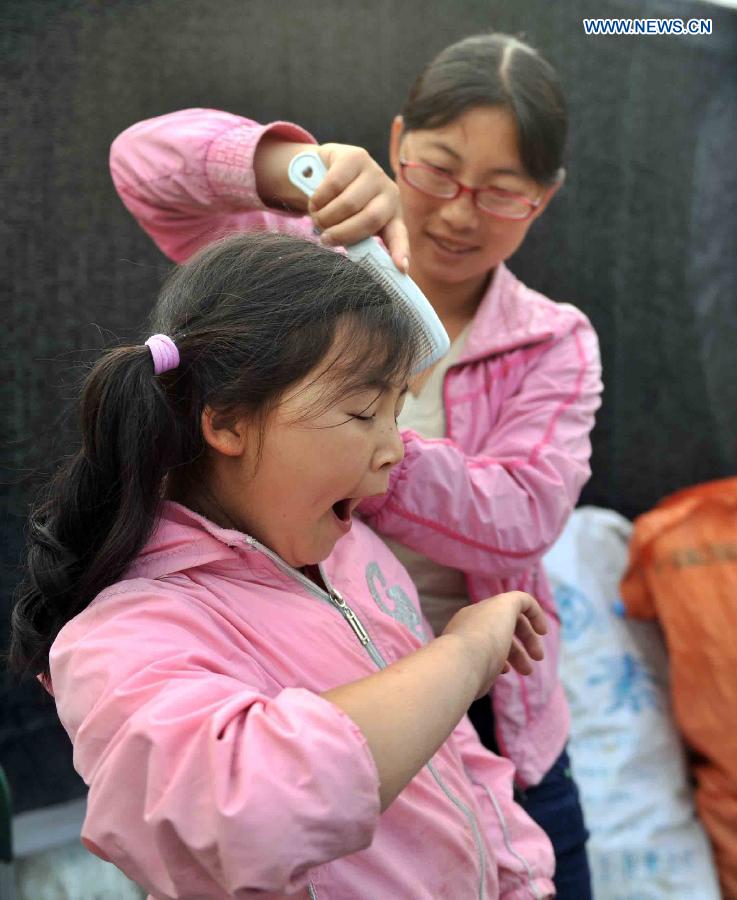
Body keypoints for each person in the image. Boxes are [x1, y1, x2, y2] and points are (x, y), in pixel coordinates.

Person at [108, 33, 602, 896]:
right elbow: (144, 164)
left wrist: (353, 444)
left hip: (491, 713)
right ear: (397, 140)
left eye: (500, 193)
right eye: (437, 172)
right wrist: (299, 169)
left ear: (546, 198)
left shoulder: (553, 339)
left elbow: (525, 513)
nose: (456, 212)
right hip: (316, 674)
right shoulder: (306, 263)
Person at [10, 231, 556, 899]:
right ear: (230, 423)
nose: (393, 450)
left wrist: (520, 877)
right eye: (362, 411)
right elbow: (242, 808)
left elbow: (450, 761)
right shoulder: (127, 633)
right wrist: (463, 656)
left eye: (394, 411)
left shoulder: (352, 552)